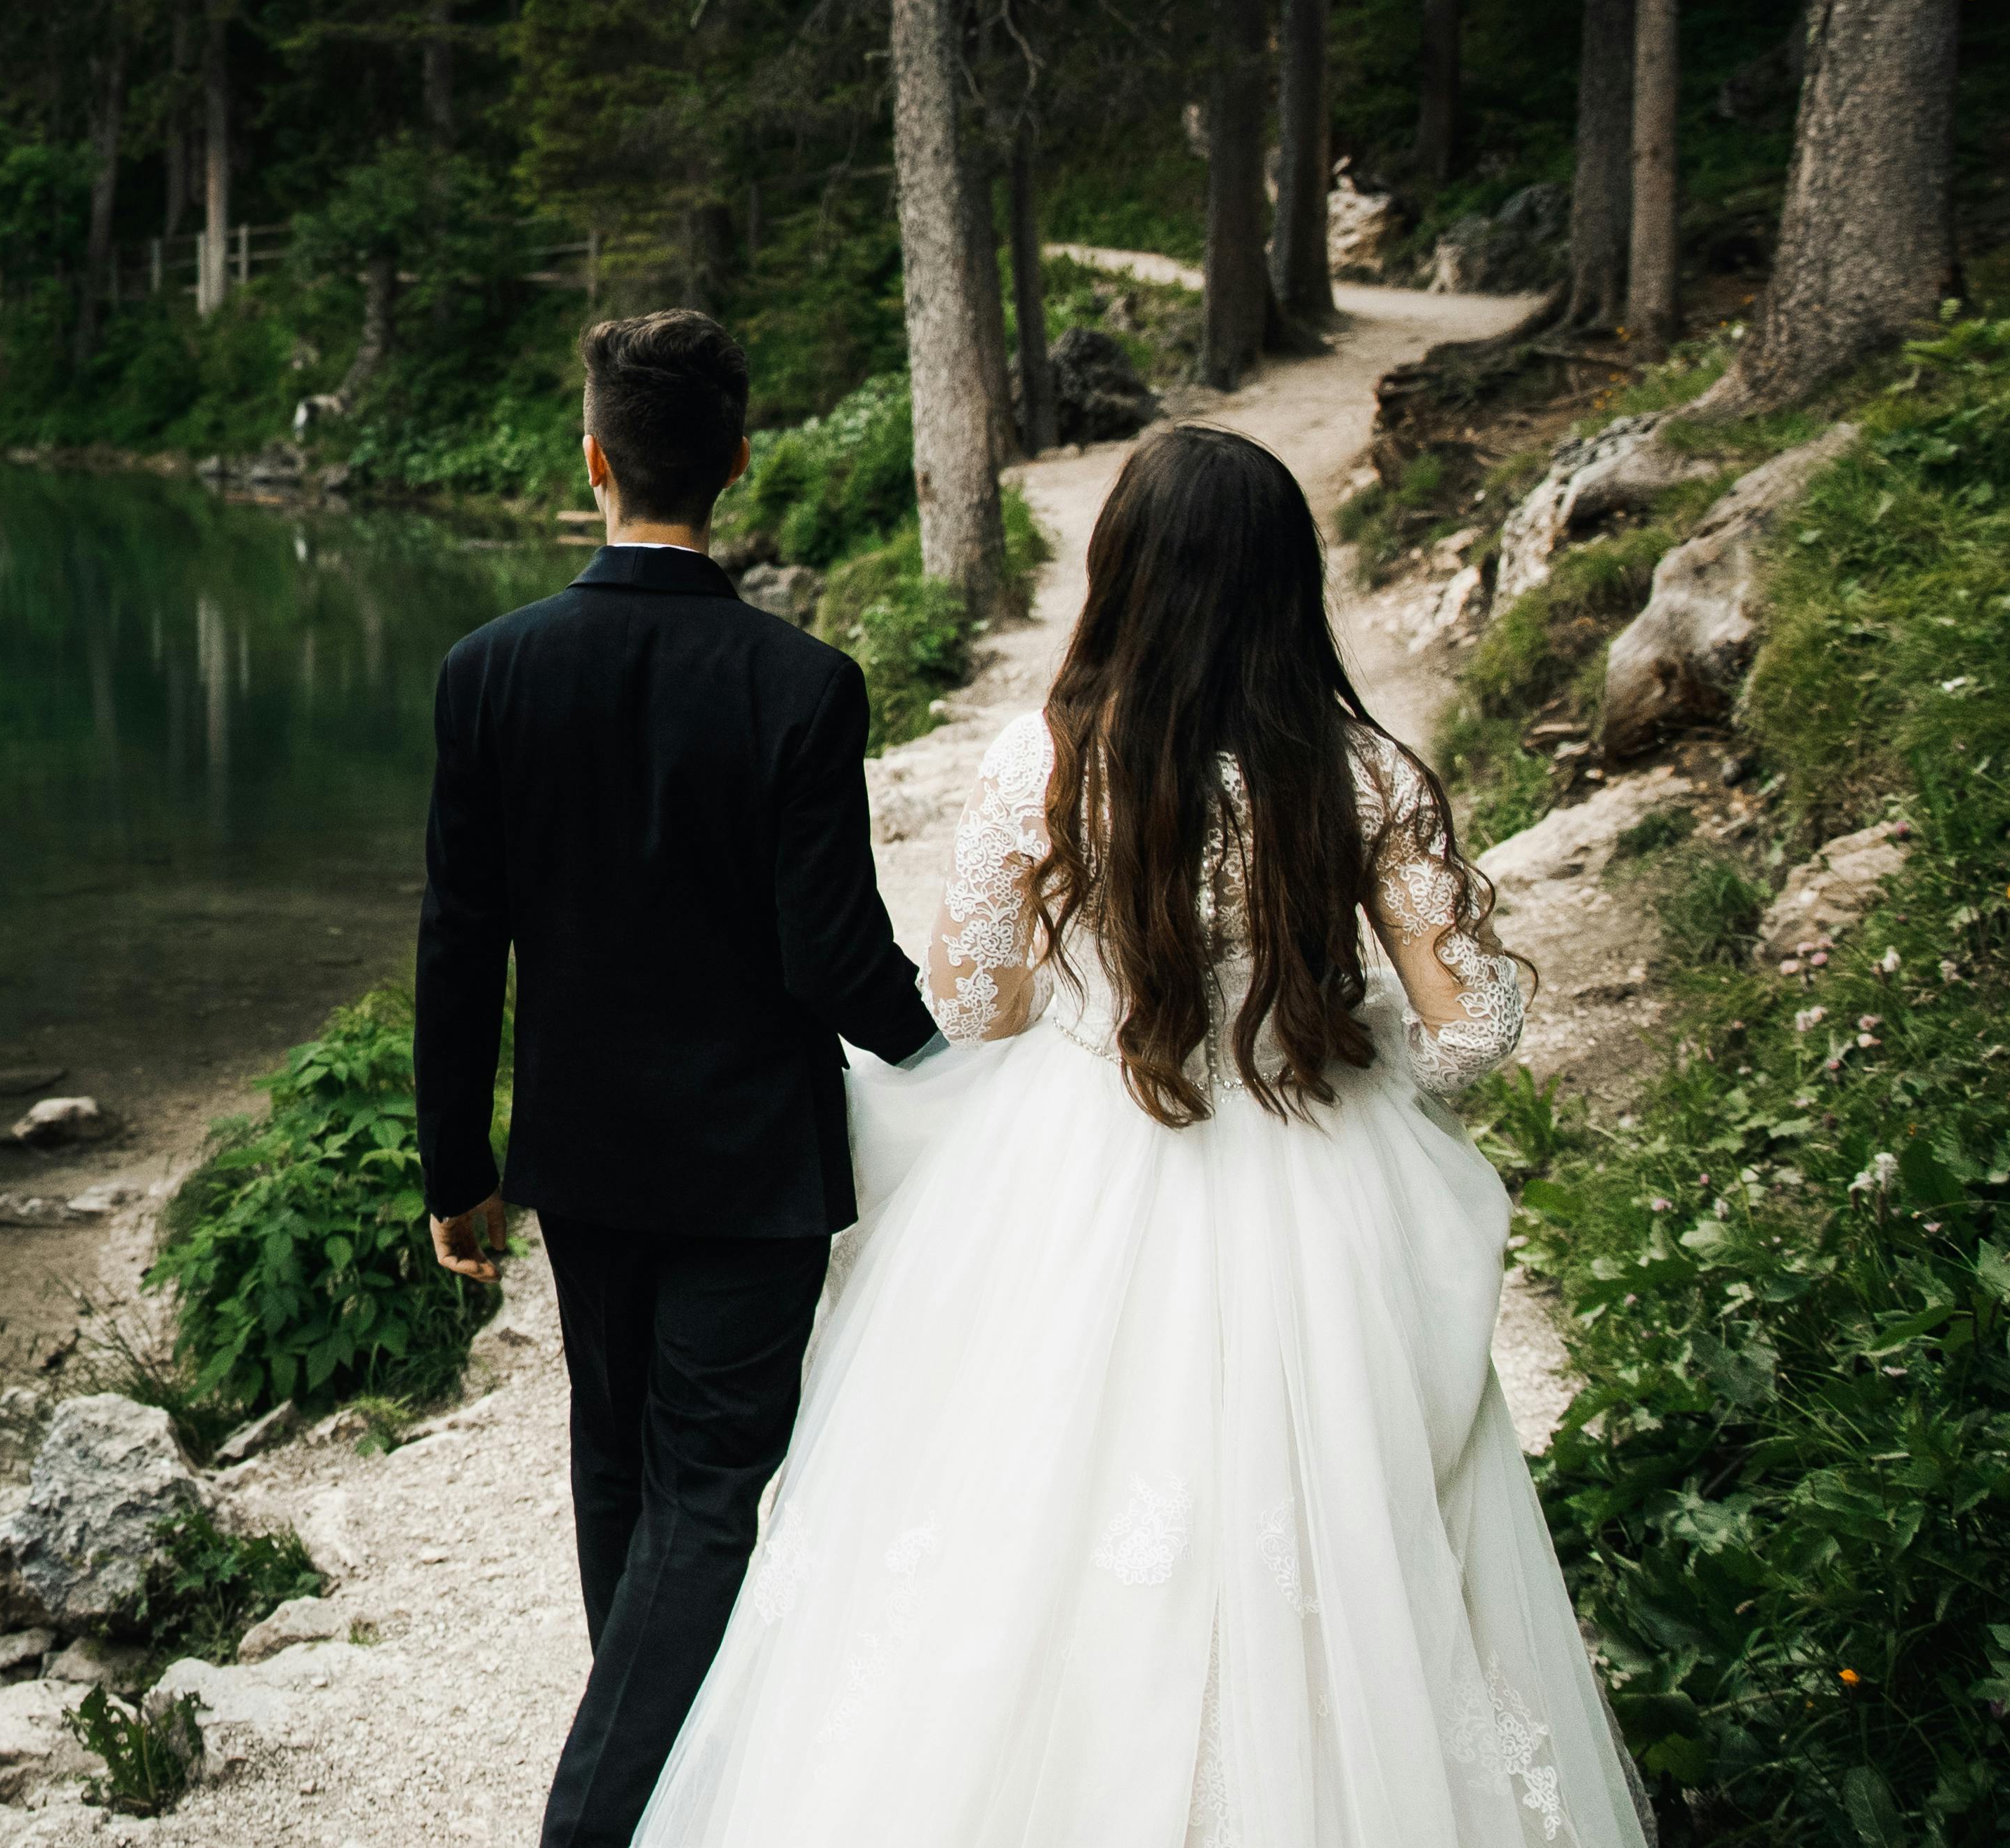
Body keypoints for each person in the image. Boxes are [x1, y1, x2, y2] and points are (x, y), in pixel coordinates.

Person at [630, 424, 1649, 1847]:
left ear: (1121, 574)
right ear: (1289, 585)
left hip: (1071, 1167)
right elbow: (1475, 1027)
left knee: (1019, 1515)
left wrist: (1090, 986)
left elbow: (968, 1004)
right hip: (1315, 1163)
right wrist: (1343, 1037)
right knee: (1342, 1512)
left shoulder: (1046, 760)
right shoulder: (1358, 772)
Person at [413, 310, 948, 1848]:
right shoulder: (802, 681)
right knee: (706, 1488)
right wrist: (952, 1063)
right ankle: (611, 1817)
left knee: (615, 1468)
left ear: (592, 459)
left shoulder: (487, 672)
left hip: (581, 1158)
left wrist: (460, 1168)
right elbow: (831, 954)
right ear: (736, 461)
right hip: (750, 1167)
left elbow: (461, 943)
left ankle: (644, 1796)